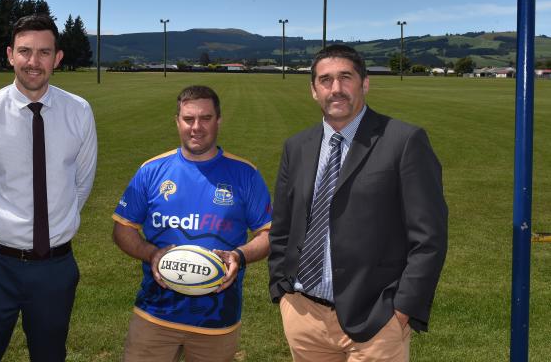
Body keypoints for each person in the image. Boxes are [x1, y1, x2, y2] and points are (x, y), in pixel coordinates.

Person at [268, 44, 447, 362]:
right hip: (304, 315)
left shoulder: (404, 141)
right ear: (313, 90)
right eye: (325, 80)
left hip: (376, 321)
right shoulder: (296, 147)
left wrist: (401, 310)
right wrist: (283, 292)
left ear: (365, 83)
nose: (335, 89)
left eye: (345, 78)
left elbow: (429, 238)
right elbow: (282, 226)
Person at [0, 14, 98, 362]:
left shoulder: (78, 112)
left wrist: (53, 229)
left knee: (49, 355)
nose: (33, 62)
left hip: (55, 268)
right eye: (25, 51)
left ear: (57, 58)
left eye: (44, 52)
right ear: (10, 55)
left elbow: (82, 183)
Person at [112, 85, 272, 362]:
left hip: (218, 318)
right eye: (188, 119)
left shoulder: (245, 174)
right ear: (177, 121)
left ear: (218, 121)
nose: (196, 127)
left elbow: (269, 233)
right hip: (154, 315)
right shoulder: (151, 171)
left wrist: (239, 255)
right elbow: (122, 228)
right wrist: (151, 253)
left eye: (205, 118)